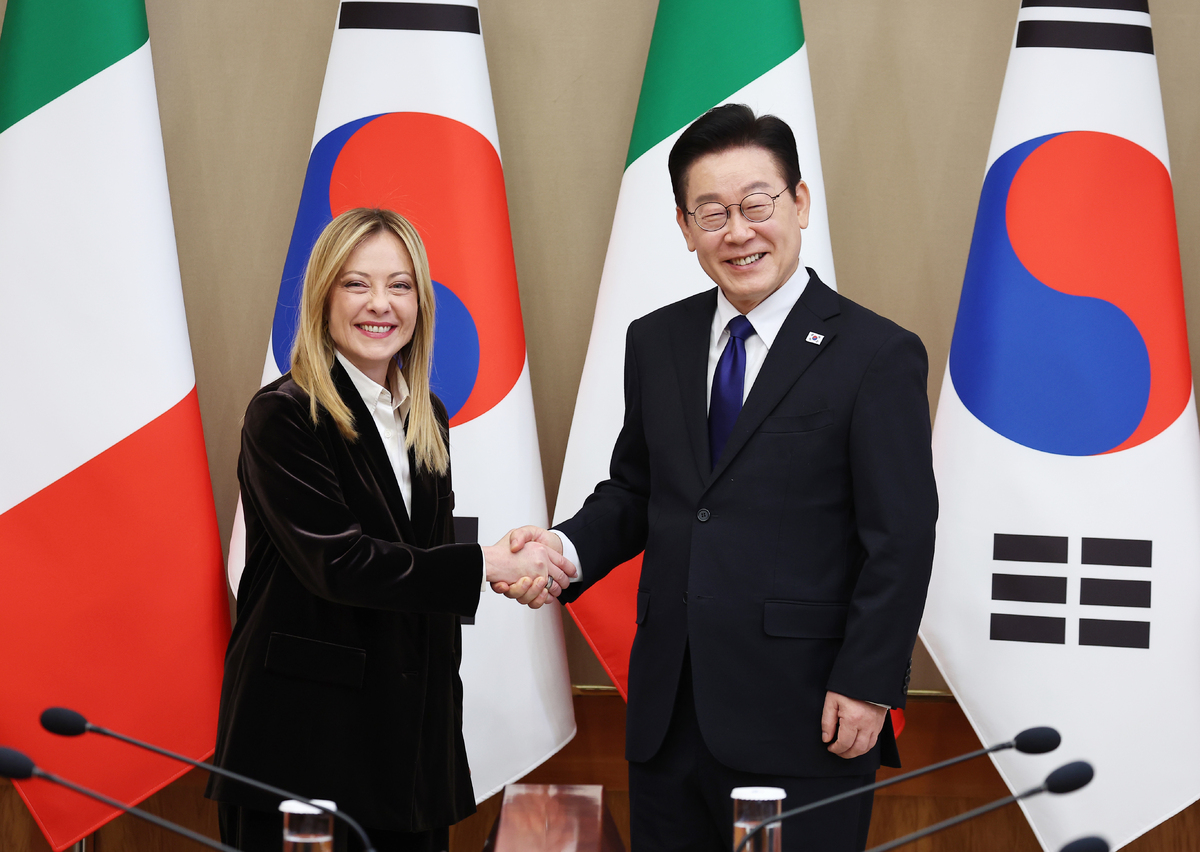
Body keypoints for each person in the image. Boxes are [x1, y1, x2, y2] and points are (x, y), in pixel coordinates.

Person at [501, 105, 938, 851]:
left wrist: (868, 682)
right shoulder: (656, 340)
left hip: (807, 717)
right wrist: (562, 551)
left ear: (799, 204)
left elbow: (900, 536)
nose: (738, 232)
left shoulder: (876, 354)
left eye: (756, 205)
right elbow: (639, 491)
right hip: (669, 717)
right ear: (685, 226)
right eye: (712, 213)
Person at [206, 208, 574, 852]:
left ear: (420, 302)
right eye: (357, 283)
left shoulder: (425, 415)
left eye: (400, 285)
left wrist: (512, 559)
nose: (380, 304)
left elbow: (414, 562)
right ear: (323, 297)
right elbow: (340, 564)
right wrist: (485, 564)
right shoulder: (284, 414)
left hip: (410, 753)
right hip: (307, 749)